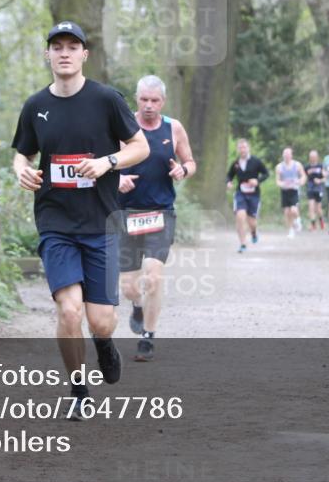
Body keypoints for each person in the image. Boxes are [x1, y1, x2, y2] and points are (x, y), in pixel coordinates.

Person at [11, 21, 150, 416]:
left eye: (73, 46)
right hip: (56, 223)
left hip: (101, 224)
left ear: (85, 54)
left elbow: (138, 147)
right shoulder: (36, 106)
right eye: (58, 47)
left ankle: (104, 344)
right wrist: (20, 169)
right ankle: (78, 391)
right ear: (48, 55)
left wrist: (108, 162)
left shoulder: (106, 100)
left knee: (101, 321)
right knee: (69, 311)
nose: (65, 53)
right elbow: (23, 152)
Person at [117, 75, 195, 363]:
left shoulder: (173, 128)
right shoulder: (123, 127)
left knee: (154, 275)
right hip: (126, 214)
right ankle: (136, 306)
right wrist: (118, 178)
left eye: (155, 100)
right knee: (128, 287)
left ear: (163, 101)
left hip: (161, 212)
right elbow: (105, 164)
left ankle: (148, 336)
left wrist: (183, 171)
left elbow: (190, 162)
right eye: (144, 99)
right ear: (136, 98)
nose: (149, 105)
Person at [226, 139, 269, 253]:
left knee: (252, 222)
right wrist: (229, 182)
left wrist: (257, 180)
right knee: (240, 216)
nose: (242, 150)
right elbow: (229, 175)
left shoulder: (256, 161)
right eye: (240, 147)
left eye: (244, 147)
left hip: (254, 194)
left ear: (248, 148)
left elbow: (266, 173)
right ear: (238, 149)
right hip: (240, 193)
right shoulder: (236, 163)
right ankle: (243, 243)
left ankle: (253, 232)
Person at [275, 147, 306, 237]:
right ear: (283, 155)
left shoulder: (297, 165)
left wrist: (300, 182)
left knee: (293, 209)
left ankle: (298, 220)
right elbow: (277, 181)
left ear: (291, 155)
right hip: (285, 191)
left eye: (288, 154)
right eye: (285, 154)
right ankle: (291, 230)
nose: (287, 156)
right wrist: (282, 184)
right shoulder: (279, 167)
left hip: (294, 190)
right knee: (287, 212)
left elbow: (303, 176)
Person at [304, 150, 326, 230]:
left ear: (317, 157)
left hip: (318, 188)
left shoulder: (321, 166)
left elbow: (325, 177)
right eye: (311, 157)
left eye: (314, 156)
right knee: (311, 207)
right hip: (310, 188)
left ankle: (321, 220)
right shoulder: (307, 167)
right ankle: (313, 225)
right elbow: (304, 177)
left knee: (318, 208)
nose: (312, 158)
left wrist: (320, 180)